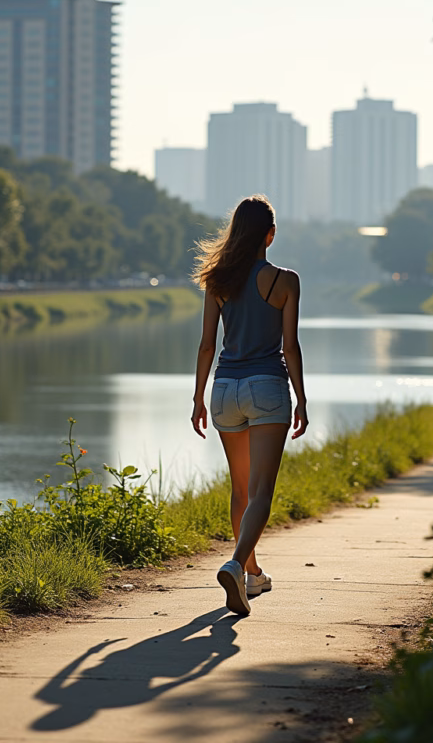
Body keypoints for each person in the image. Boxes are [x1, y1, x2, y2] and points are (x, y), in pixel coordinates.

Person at [191, 195, 308, 616]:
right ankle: (236, 564)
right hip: (267, 388)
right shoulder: (285, 281)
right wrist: (302, 398)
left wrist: (198, 398)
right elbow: (290, 347)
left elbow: (207, 345)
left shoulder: (217, 280)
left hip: (224, 389)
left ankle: (252, 575)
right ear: (270, 235)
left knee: (240, 489)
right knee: (261, 492)